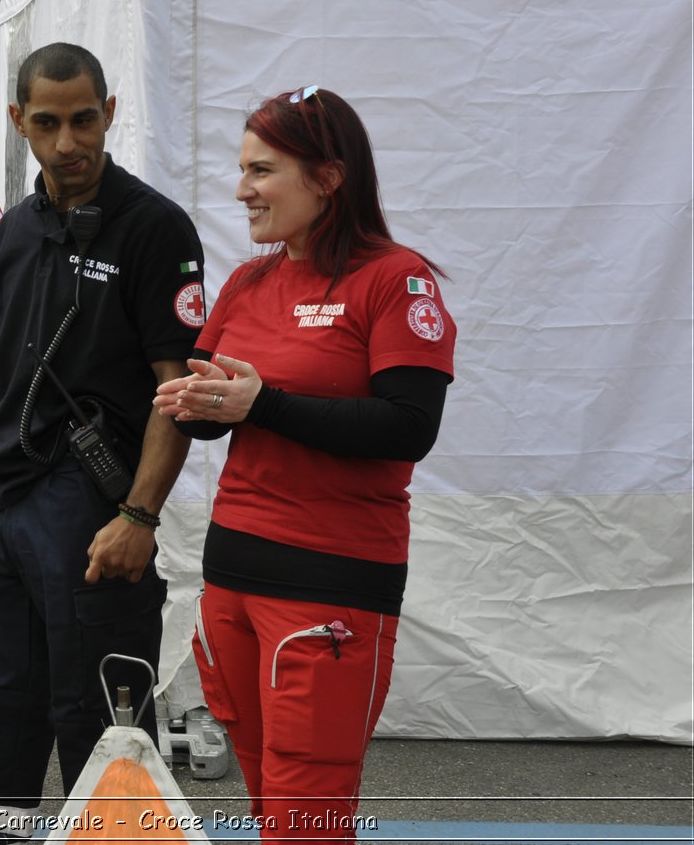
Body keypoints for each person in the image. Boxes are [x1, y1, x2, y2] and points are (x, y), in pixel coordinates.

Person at [154, 85, 456, 841]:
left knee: (305, 822)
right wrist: (199, 406)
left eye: (263, 170)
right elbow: (219, 411)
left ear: (328, 177)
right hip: (233, 579)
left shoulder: (395, 278)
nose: (241, 188)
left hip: (331, 588)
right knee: (270, 811)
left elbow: (409, 427)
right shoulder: (251, 281)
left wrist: (264, 404)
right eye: (242, 168)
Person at [0, 42, 205, 842]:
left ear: (109, 112)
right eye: (46, 123)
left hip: (94, 527)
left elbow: (177, 389)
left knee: (107, 744)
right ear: (19, 122)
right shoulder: (13, 229)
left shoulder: (154, 227)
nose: (68, 142)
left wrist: (139, 515)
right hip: (3, 516)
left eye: (84, 119)